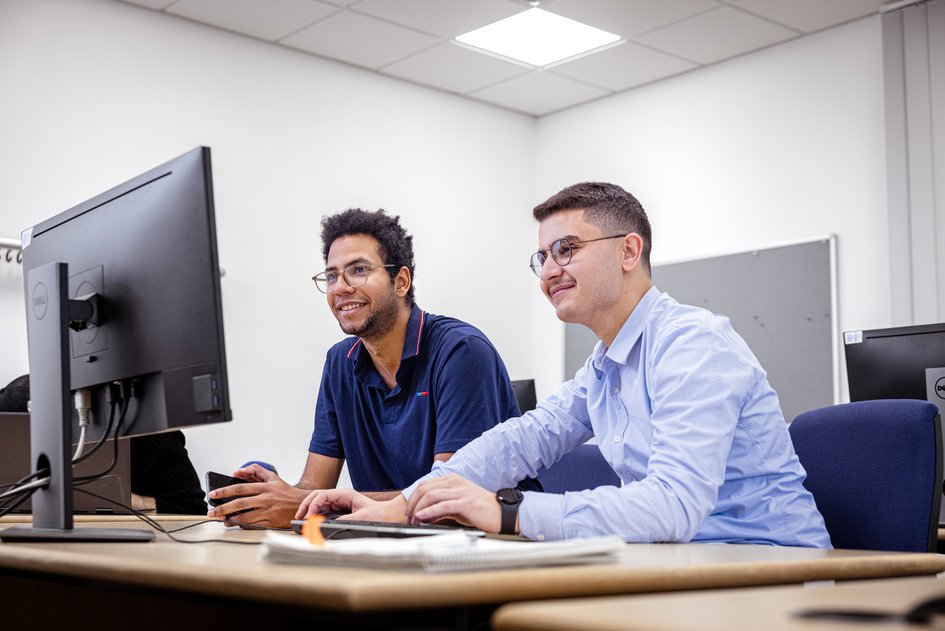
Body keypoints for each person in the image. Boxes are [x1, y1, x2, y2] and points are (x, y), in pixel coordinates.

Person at [299, 183, 832, 548]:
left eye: (567, 249)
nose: (550, 271)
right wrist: (404, 504)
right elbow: (521, 440)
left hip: (770, 565)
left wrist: (510, 513)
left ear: (629, 250)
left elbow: (673, 505)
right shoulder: (604, 368)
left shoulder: (693, 344)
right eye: (543, 257)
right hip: (687, 564)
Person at [208, 208, 531, 528]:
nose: (340, 287)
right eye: (331, 275)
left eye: (358, 270)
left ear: (401, 281)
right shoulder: (340, 362)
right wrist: (270, 497)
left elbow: (450, 500)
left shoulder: (461, 351)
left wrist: (308, 505)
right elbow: (312, 486)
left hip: (492, 545)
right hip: (387, 543)